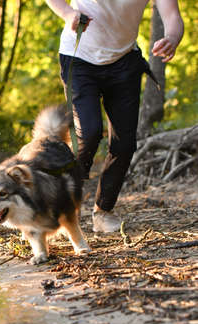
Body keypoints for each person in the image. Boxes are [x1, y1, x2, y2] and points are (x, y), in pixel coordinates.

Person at [45, 0, 184, 232]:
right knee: (88, 133)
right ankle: (64, 204)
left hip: (124, 62)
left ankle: (103, 211)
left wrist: (171, 38)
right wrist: (68, 13)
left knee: (124, 144)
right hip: (79, 56)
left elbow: (172, 17)